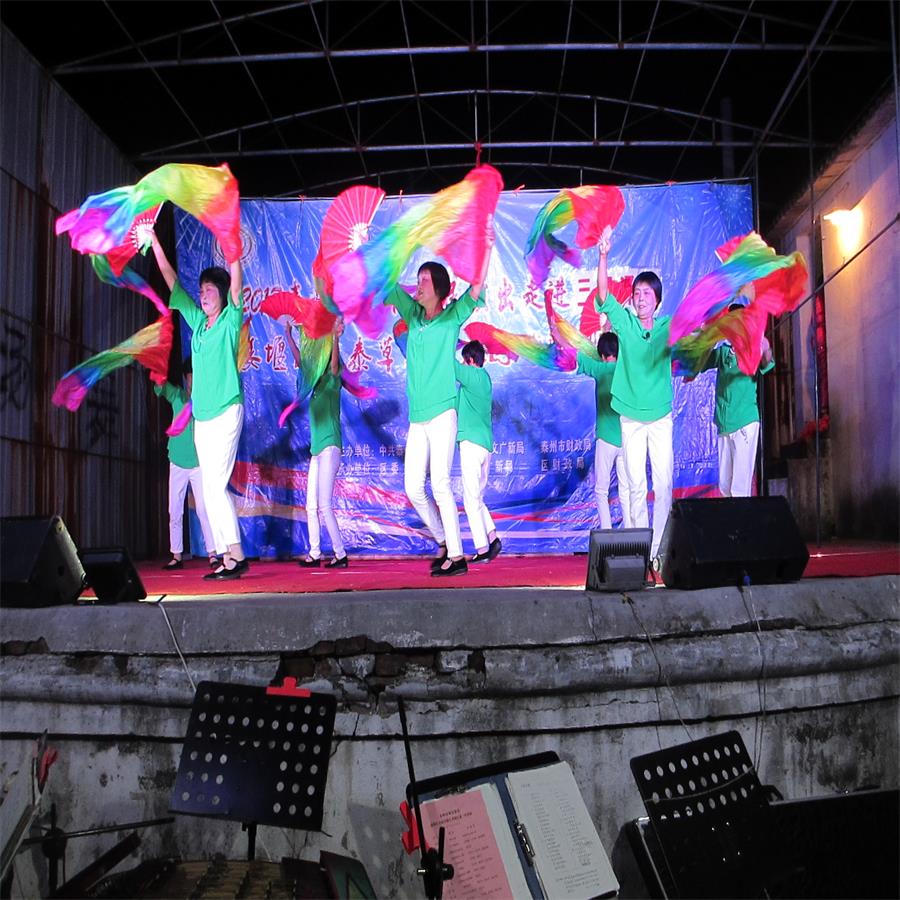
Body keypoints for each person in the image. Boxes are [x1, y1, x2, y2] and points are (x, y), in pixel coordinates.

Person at [150, 233, 248, 580]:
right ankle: (227, 555)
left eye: (209, 290)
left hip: (227, 410)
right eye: (201, 290)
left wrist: (232, 252)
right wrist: (154, 242)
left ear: (222, 294)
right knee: (209, 489)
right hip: (202, 418)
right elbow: (172, 281)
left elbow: (236, 283)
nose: (203, 295)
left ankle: (235, 555)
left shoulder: (229, 320)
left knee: (215, 486)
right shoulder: (199, 326)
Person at [387, 260, 488, 577]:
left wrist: (484, 249)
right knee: (413, 487)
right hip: (418, 417)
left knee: (441, 484)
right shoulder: (413, 316)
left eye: (425, 280)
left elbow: (476, 289)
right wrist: (370, 248)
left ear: (440, 288)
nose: (418, 285)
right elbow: (386, 283)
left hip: (443, 412)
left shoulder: (451, 317)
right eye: (418, 279)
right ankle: (444, 540)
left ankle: (457, 557)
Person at [595, 227, 673, 564]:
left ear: (657, 300)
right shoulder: (625, 324)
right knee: (636, 485)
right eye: (637, 293)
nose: (641, 298)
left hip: (660, 416)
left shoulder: (668, 326)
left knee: (664, 484)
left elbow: (699, 326)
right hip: (630, 417)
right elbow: (602, 296)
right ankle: (642, 553)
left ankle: (661, 552)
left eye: (647, 293)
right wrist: (603, 255)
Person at [284, 318, 349, 568]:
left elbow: (334, 364)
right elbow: (300, 361)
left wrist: (334, 337)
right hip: (316, 450)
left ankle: (340, 554)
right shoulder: (314, 386)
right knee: (311, 505)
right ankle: (314, 553)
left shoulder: (333, 381)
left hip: (330, 446)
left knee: (324, 504)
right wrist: (289, 335)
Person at [154, 358, 217, 570]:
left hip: (199, 462)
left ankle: (213, 554)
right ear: (185, 378)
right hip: (178, 461)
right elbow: (161, 387)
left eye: (195, 376)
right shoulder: (178, 396)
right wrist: (157, 368)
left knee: (204, 510)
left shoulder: (206, 401)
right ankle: (176, 555)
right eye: (189, 377)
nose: (192, 381)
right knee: (175, 509)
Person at [705, 312, 775, 496]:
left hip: (745, 422)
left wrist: (766, 348)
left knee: (739, 486)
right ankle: (729, 516)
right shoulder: (723, 353)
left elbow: (766, 361)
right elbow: (701, 362)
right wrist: (708, 339)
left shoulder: (752, 351)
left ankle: (741, 515)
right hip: (724, 424)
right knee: (724, 485)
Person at [574, 332, 633, 530]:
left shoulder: (599, 369)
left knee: (601, 490)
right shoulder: (627, 371)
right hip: (626, 439)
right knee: (626, 489)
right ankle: (631, 531)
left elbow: (572, 353)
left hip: (606, 439)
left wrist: (556, 331)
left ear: (601, 354)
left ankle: (607, 532)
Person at [455, 340, 501, 563]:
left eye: (465, 361)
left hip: (471, 444)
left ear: (471, 360)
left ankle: (482, 549)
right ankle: (492, 537)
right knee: (477, 497)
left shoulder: (472, 375)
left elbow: (450, 366)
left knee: (470, 500)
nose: (463, 364)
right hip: (484, 445)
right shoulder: (485, 378)